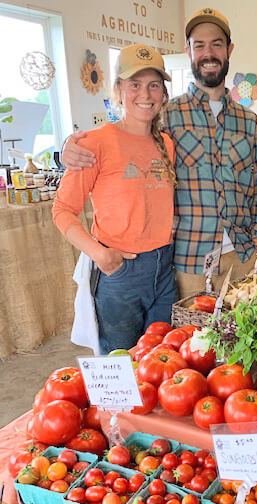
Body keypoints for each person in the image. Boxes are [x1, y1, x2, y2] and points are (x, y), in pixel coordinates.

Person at [62, 8, 257, 300]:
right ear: (188, 51)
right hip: (187, 261)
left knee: (241, 340)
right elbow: (122, 137)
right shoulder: (165, 115)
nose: (208, 53)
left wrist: (256, 240)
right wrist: (69, 146)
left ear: (229, 50)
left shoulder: (251, 123)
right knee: (186, 342)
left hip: (240, 258)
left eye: (216, 44)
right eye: (199, 45)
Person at [53, 44, 177, 354]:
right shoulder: (94, 144)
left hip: (164, 268)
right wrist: (100, 254)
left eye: (154, 85)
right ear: (118, 90)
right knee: (119, 368)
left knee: (161, 363)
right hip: (120, 273)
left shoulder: (166, 144)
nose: (145, 94)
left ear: (163, 93)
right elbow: (63, 210)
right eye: (135, 84)